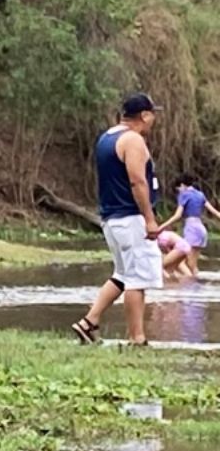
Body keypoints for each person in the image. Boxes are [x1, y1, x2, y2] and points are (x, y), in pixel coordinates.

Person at [72, 93, 163, 346]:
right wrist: (149, 218)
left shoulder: (107, 138)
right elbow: (137, 180)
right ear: (144, 115)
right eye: (152, 114)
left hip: (111, 218)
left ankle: (88, 322)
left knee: (121, 275)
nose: (153, 120)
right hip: (131, 218)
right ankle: (137, 338)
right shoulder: (132, 140)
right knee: (137, 279)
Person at [158, 175, 220, 276]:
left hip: (192, 229)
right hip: (201, 229)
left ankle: (192, 288)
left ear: (182, 185)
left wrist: (162, 227)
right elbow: (214, 212)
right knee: (192, 264)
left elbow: (177, 215)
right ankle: (195, 285)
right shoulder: (200, 194)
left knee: (189, 263)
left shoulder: (184, 195)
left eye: (178, 189)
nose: (179, 191)